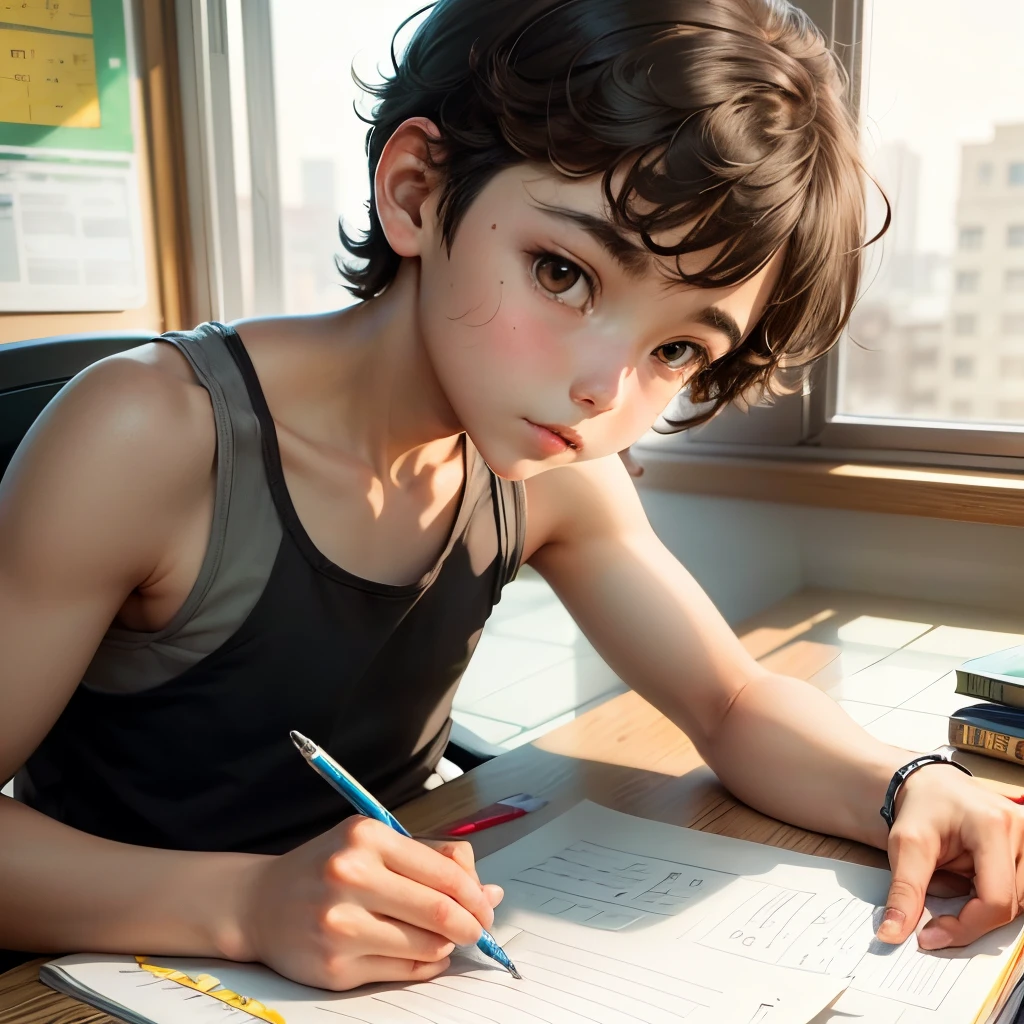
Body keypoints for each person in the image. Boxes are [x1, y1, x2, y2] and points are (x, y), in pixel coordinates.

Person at [1, 0, 1021, 992]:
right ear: (413, 190)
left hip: (403, 960)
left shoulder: (549, 464)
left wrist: (907, 782)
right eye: (563, 272)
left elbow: (729, 700)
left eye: (674, 347)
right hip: (105, 969)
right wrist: (250, 903)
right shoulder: (148, 433)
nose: (603, 388)